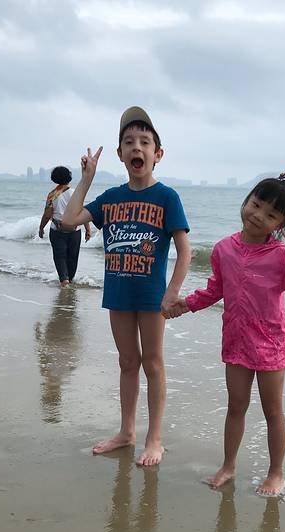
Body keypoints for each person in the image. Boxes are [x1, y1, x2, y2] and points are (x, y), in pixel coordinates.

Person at [171, 174, 285, 496]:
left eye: (271, 215)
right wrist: (186, 304)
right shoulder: (224, 249)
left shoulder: (281, 255)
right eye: (256, 204)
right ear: (247, 200)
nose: (258, 215)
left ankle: (276, 473)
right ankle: (228, 466)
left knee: (273, 411)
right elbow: (216, 290)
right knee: (235, 406)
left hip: (270, 342)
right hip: (236, 340)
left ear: (281, 225)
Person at [61, 106, 191, 466]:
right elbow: (69, 221)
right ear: (120, 154)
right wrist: (86, 178)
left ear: (157, 154)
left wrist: (172, 291)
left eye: (145, 142)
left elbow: (185, 251)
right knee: (127, 361)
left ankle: (154, 439)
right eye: (130, 142)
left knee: (153, 363)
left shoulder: (166, 197)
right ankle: (126, 432)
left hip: (152, 297)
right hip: (118, 293)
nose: (137, 147)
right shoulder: (112, 198)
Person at [39, 166, 91, 286]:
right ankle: (69, 280)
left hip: (57, 231)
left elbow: (47, 215)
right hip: (75, 231)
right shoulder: (75, 193)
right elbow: (82, 212)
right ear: (69, 177)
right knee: (73, 258)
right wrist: (88, 229)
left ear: (54, 178)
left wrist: (41, 228)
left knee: (59, 257)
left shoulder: (52, 195)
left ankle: (64, 280)